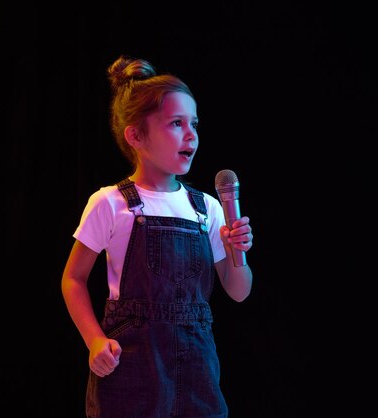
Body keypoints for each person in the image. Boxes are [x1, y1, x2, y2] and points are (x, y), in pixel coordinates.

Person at [61, 54, 254, 418]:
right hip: (133, 369)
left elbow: (239, 291)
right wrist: (94, 340)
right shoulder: (111, 203)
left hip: (197, 371)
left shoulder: (208, 209)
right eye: (176, 123)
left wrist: (235, 252)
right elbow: (73, 279)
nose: (191, 134)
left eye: (194, 123)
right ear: (136, 135)